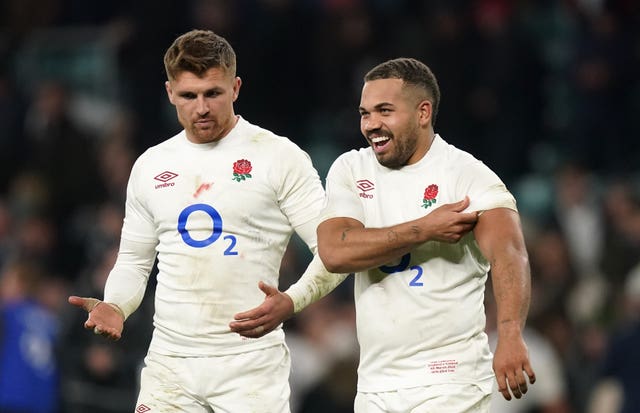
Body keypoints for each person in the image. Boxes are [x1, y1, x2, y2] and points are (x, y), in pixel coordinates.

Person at [68, 29, 346, 413]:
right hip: (170, 365)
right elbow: (134, 261)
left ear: (235, 87)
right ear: (169, 93)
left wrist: (293, 301)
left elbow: (336, 252)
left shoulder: (279, 157)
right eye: (188, 96)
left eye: (212, 93)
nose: (201, 108)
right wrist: (116, 304)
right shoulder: (151, 166)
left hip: (249, 367)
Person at [315, 57, 536, 412]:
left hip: (449, 380)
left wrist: (510, 333)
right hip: (375, 383)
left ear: (422, 113)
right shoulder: (350, 169)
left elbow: (510, 253)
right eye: (364, 113)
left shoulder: (467, 176)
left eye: (384, 111)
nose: (372, 124)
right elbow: (335, 252)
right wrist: (425, 229)